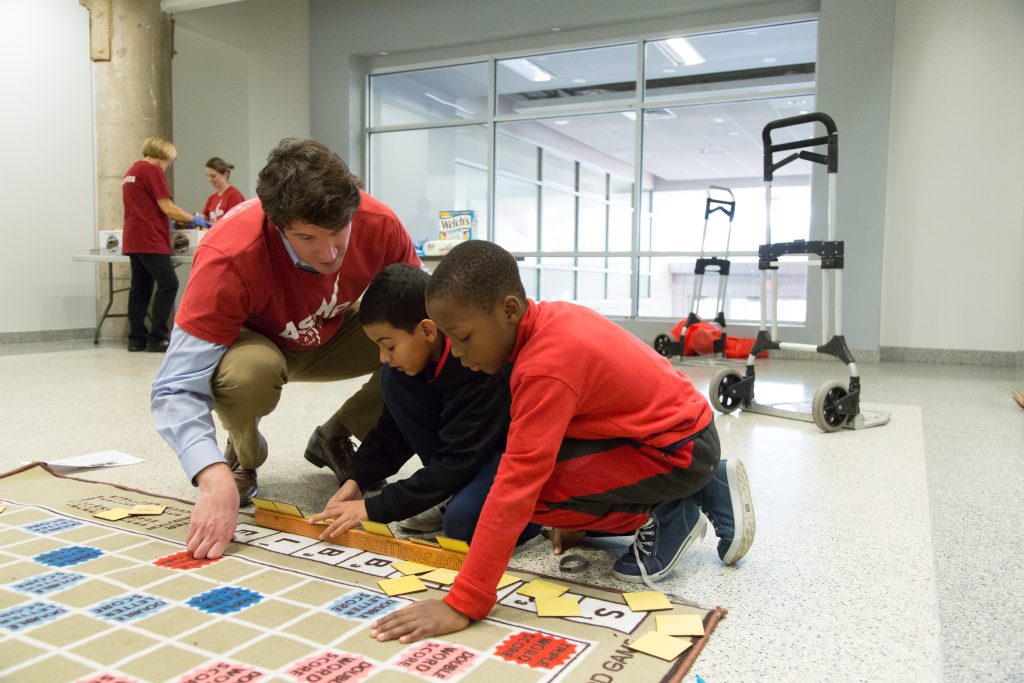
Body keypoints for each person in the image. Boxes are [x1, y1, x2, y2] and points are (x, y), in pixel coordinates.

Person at [367, 240, 756, 644]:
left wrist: (465, 600)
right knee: (534, 490)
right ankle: (705, 486)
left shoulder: (545, 366)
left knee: (531, 496)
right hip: (677, 434)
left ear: (509, 310)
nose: (459, 352)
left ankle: (670, 510)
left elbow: (517, 484)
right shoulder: (549, 318)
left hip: (678, 451)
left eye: (463, 337)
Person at [151, 138, 419, 561]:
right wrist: (209, 475)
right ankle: (243, 453)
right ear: (276, 224)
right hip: (258, 348)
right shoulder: (228, 253)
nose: (329, 252)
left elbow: (424, 325)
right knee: (249, 373)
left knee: (414, 343)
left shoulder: (379, 222)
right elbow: (175, 387)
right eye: (307, 237)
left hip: (334, 335)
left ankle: (335, 434)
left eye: (338, 232)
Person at [308, 263, 540, 546]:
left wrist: (376, 507)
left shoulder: (476, 360)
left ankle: (543, 513)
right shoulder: (405, 369)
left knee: (464, 524)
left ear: (428, 331)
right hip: (460, 456)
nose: (383, 357)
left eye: (389, 345)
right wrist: (357, 479)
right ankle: (448, 492)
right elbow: (393, 431)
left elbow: (459, 458)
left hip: (502, 454)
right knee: (391, 378)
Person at [122, 136, 211, 353]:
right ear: (163, 155)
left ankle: (136, 339)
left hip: (133, 237)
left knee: (140, 288)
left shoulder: (132, 172)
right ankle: (158, 338)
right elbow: (167, 206)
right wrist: (193, 219)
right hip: (150, 237)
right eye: (170, 160)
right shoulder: (152, 171)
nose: (169, 164)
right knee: (168, 283)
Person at [201, 157, 246, 224]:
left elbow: (237, 221)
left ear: (225, 175)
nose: (209, 179)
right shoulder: (211, 199)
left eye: (213, 176)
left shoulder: (234, 195)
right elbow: (203, 218)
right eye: (207, 176)